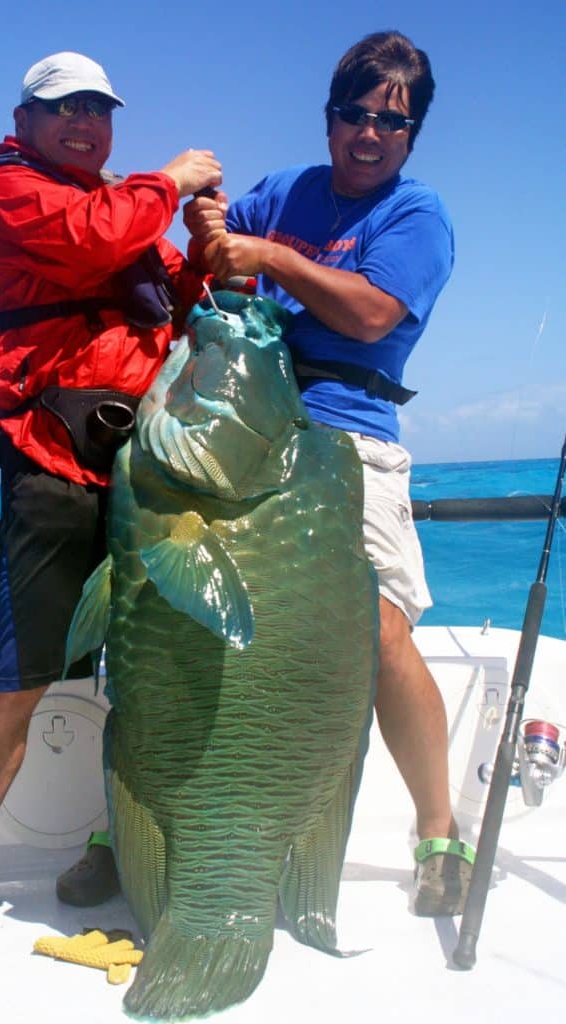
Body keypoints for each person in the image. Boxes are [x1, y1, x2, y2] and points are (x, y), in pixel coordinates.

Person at [0, 50, 221, 948]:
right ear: (24, 122)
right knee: (19, 676)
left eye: (99, 108)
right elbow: (94, 235)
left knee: (149, 666)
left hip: (146, 478)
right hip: (49, 469)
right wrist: (172, 179)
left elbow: (180, 296)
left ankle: (114, 841)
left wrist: (209, 249)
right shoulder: (12, 189)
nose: (84, 121)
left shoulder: (131, 215)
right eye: (63, 108)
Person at [183, 30, 474, 917]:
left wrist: (268, 257)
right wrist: (208, 232)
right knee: (189, 618)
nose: (369, 133)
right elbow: (210, 260)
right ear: (329, 118)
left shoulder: (414, 216)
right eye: (354, 114)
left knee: (383, 633)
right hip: (245, 426)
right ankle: (144, 823)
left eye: (392, 121)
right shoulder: (284, 189)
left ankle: (437, 831)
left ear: (412, 134)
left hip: (349, 437)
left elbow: (370, 314)